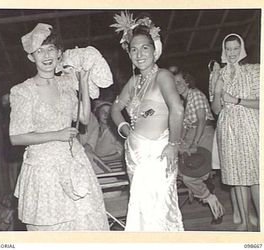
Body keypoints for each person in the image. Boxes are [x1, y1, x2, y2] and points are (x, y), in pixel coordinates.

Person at [9, 23, 108, 231]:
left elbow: (83, 119)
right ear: (31, 57)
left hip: (72, 162)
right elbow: (16, 137)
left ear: (59, 53)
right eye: (39, 51)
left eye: (50, 49)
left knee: (83, 223)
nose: (46, 55)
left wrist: (82, 82)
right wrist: (58, 134)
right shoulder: (22, 91)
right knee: (53, 227)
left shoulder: (65, 83)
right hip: (43, 169)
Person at [110, 12, 184, 231]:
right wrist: (124, 128)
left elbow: (178, 109)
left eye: (144, 48)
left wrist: (173, 144)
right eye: (133, 49)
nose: (139, 53)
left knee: (160, 211)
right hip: (134, 155)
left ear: (155, 50)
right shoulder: (134, 82)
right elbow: (115, 109)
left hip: (158, 154)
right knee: (141, 211)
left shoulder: (163, 76)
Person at [211, 34, 259, 231]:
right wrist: (217, 92)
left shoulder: (254, 70)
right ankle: (246, 222)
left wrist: (237, 100)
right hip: (227, 130)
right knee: (236, 177)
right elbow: (215, 110)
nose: (231, 53)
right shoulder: (219, 75)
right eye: (228, 49)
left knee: (256, 176)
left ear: (242, 49)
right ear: (224, 50)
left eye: (235, 48)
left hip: (250, 127)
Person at [174, 70, 224, 223]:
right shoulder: (183, 101)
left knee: (191, 175)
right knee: (178, 169)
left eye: (179, 82)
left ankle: (209, 197)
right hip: (191, 134)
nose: (176, 85)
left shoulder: (195, 94)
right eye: (174, 83)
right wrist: (179, 143)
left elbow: (201, 120)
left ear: (187, 82)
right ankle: (206, 189)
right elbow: (183, 126)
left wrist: (195, 143)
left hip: (203, 134)